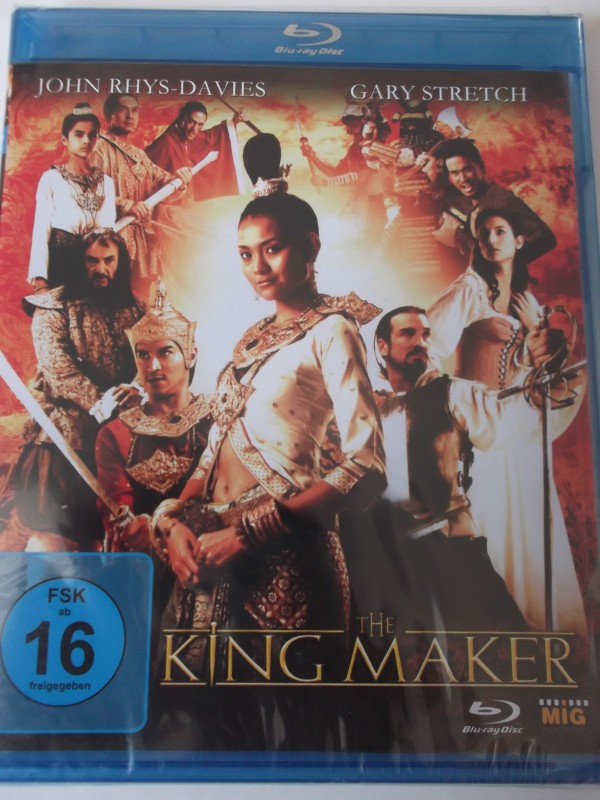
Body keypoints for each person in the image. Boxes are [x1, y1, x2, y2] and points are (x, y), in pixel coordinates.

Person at [149, 189, 385, 745]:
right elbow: (212, 455)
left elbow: (367, 464)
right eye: (245, 253)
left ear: (310, 248)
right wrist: (172, 523)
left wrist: (248, 533)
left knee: (292, 732)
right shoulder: (249, 341)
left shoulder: (333, 329)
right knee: (206, 731)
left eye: (272, 249)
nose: (257, 266)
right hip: (209, 556)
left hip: (287, 556)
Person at [427, 209, 587, 635]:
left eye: (500, 232)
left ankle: (537, 635)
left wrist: (536, 335)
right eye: (484, 234)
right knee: (487, 525)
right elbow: (427, 345)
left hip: (518, 431)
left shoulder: (527, 302)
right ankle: (494, 634)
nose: (491, 240)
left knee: (529, 525)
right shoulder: (468, 290)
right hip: (478, 435)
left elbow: (535, 375)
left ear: (519, 241)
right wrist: (451, 402)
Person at [11, 228, 145, 552]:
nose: (101, 269)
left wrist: (136, 388)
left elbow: (149, 357)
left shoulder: (134, 310)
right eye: (92, 261)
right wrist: (102, 403)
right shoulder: (52, 308)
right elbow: (59, 372)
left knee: (114, 538)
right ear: (78, 263)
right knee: (53, 537)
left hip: (121, 427)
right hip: (67, 431)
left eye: (109, 260)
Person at [95, 281, 212, 553]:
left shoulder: (217, 418)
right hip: (146, 561)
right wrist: (132, 527)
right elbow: (116, 510)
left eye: (165, 352)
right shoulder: (115, 434)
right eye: (143, 355)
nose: (153, 365)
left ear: (191, 354)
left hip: (209, 550)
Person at [89, 93, 192, 293]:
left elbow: (165, 185)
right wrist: (128, 205)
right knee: (110, 296)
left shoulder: (139, 155)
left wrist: (180, 181)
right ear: (109, 116)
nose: (130, 116)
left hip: (142, 241)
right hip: (110, 239)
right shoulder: (97, 148)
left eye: (135, 110)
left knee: (141, 297)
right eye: (123, 110)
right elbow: (89, 194)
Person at [421, 139, 556, 263]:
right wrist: (432, 172)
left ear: (480, 167)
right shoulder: (470, 199)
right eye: (455, 173)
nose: (462, 179)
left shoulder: (503, 200)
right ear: (449, 176)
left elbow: (546, 238)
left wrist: (505, 265)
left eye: (467, 169)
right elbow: (449, 197)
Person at [27, 103, 116, 291]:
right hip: (62, 271)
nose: (86, 140)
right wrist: (40, 282)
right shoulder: (51, 179)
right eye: (79, 134)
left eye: (92, 135)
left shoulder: (107, 182)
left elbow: (109, 233)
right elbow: (41, 232)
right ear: (65, 139)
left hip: (98, 275)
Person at [145, 101, 242, 202]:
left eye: (200, 124)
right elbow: (145, 175)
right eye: (191, 122)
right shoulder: (166, 143)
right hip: (160, 204)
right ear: (183, 119)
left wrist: (234, 121)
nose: (195, 129)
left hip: (179, 202)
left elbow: (211, 138)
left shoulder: (189, 138)